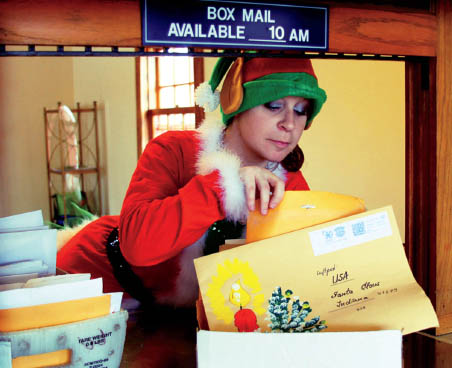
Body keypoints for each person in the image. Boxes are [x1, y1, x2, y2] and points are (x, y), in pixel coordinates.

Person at [56, 56, 327, 310]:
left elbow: (301, 269)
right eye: (274, 105)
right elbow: (137, 245)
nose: (290, 124)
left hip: (174, 315)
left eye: (302, 110)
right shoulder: (172, 150)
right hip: (91, 277)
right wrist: (224, 185)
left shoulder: (289, 182)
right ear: (236, 102)